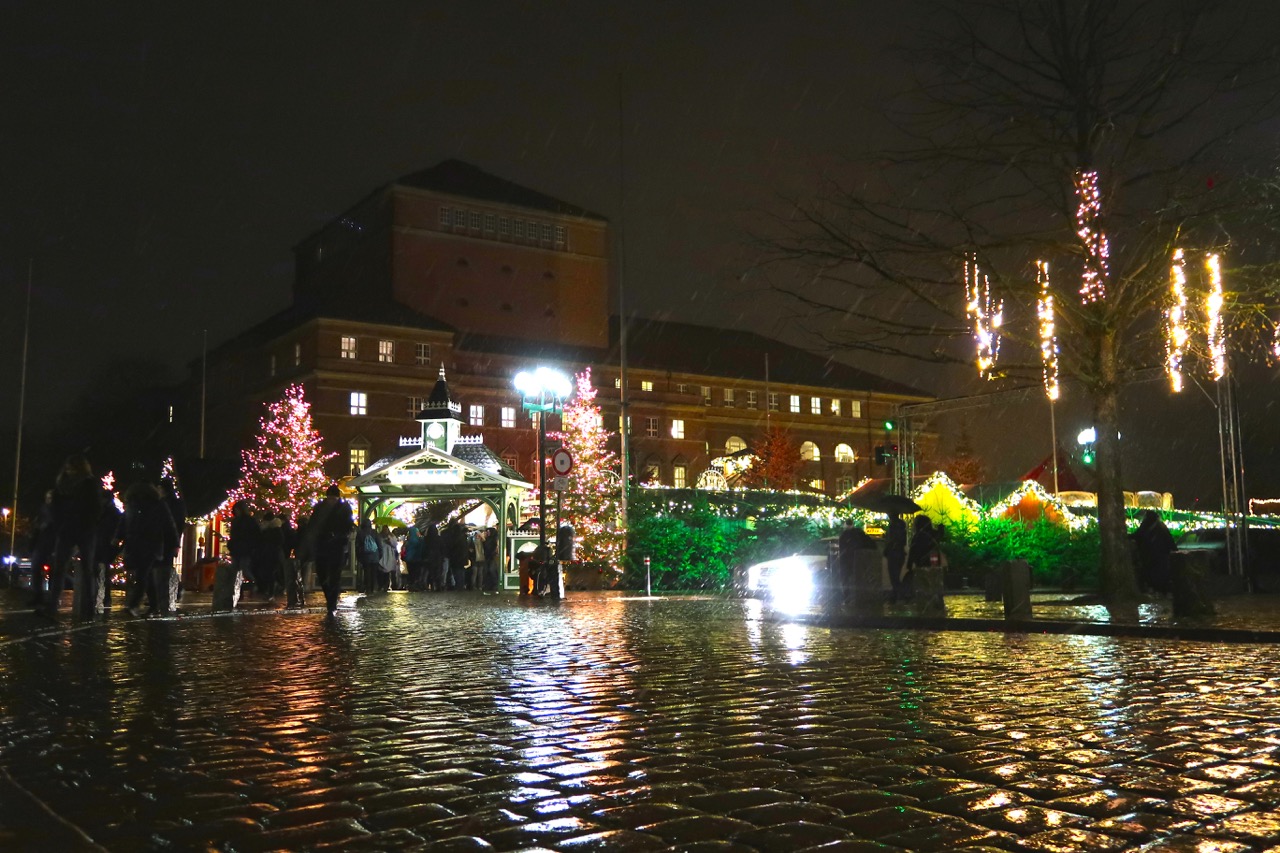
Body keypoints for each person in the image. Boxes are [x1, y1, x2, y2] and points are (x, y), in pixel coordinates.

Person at [39, 454, 106, 621]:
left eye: (72, 469)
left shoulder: (85, 484)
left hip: (81, 529)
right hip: (72, 529)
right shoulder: (69, 485)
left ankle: (86, 608)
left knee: (84, 569)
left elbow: (95, 509)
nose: (69, 472)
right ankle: (55, 606)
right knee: (64, 568)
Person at [119, 482, 178, 617]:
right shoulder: (154, 504)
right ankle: (153, 605)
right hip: (144, 544)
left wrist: (118, 536)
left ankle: (134, 604)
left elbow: (169, 525)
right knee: (147, 576)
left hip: (147, 544)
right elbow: (169, 525)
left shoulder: (143, 505)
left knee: (143, 574)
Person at [308, 485, 353, 616]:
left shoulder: (344, 508)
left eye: (333, 498)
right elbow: (313, 525)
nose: (331, 500)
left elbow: (347, 526)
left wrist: (339, 535)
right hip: (322, 545)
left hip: (336, 545)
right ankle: (330, 598)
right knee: (322, 573)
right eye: (330, 498)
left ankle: (332, 602)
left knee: (334, 575)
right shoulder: (320, 508)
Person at [1132, 509, 1175, 594]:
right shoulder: (1161, 526)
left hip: (1151, 555)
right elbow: (1170, 541)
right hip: (1160, 555)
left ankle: (1155, 589)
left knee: (1153, 574)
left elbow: (1138, 535)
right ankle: (1161, 591)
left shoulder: (1147, 525)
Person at [160, 479, 185, 605]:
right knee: (165, 566)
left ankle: (171, 591)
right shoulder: (174, 503)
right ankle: (169, 592)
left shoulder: (167, 504)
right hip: (168, 539)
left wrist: (176, 542)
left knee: (165, 566)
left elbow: (177, 524)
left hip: (167, 540)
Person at [255, 511, 285, 605]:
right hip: (268, 554)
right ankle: (272, 590)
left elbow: (277, 542)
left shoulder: (274, 530)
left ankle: (272, 591)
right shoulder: (271, 529)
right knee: (269, 573)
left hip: (271, 554)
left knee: (270, 573)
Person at [905, 515, 939, 597]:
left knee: (921, 590)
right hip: (932, 567)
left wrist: (909, 565)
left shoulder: (918, 536)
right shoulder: (932, 536)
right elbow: (935, 552)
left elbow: (913, 552)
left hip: (921, 567)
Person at [884, 512, 907, 603]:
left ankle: (899, 594)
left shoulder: (893, 527)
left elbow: (891, 541)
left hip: (893, 554)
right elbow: (903, 542)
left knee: (893, 576)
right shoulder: (902, 528)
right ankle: (897, 595)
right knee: (896, 576)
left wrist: (888, 549)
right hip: (900, 553)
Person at [356, 516, 381, 594]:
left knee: (367, 572)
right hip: (375, 556)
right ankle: (373, 587)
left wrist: (358, 557)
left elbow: (357, 546)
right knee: (374, 573)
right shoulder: (374, 532)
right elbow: (379, 544)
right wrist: (380, 555)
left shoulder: (360, 533)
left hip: (365, 556)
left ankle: (368, 588)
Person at [403, 525, 426, 590]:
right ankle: (415, 585)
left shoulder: (407, 541)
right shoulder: (420, 540)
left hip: (409, 559)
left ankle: (411, 585)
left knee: (411, 573)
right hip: (417, 559)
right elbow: (422, 548)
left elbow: (405, 550)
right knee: (416, 573)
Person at [376, 525, 398, 592]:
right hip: (382, 555)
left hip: (389, 555)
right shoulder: (379, 536)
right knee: (381, 571)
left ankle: (386, 585)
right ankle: (381, 585)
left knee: (387, 571)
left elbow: (395, 545)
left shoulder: (392, 536)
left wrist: (390, 542)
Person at [424, 522, 444, 591]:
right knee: (438, 572)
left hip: (429, 557)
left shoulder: (426, 539)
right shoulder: (439, 538)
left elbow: (425, 548)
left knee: (431, 572)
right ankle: (438, 586)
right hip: (438, 557)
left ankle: (432, 585)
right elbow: (442, 548)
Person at [481, 526, 499, 594]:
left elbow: (489, 548)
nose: (487, 533)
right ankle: (490, 585)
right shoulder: (489, 539)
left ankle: (494, 584)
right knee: (488, 571)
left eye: (488, 532)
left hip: (491, 557)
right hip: (488, 557)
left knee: (491, 570)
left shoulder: (493, 539)